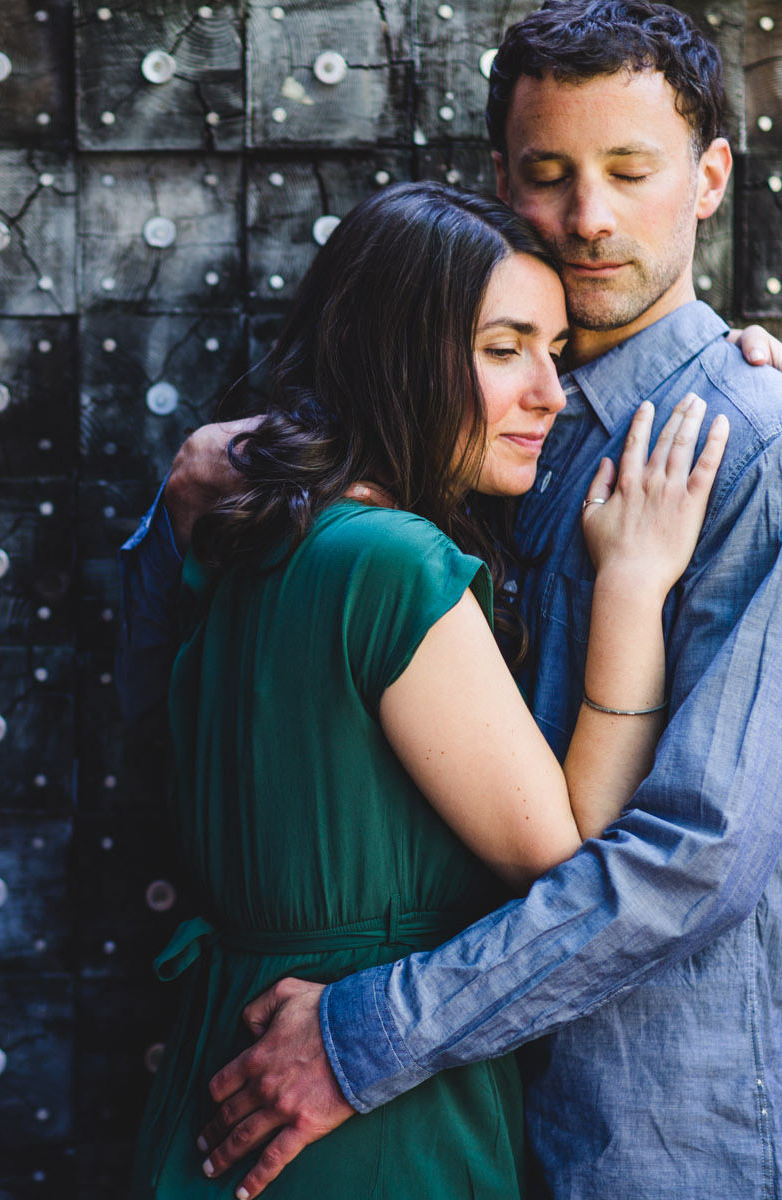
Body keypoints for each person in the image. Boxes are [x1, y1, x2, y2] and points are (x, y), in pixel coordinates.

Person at [120, 2, 782, 1196]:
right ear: (501, 182)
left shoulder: (776, 458)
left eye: (632, 172)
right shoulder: (475, 431)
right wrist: (189, 501)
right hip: (455, 1118)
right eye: (549, 174)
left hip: (650, 1135)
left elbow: (687, 861)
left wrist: (369, 1035)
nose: (589, 217)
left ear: (711, 179)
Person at [128, 179, 728, 1199]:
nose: (550, 392)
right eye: (504, 351)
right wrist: (632, 586)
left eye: (555, 350)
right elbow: (568, 859)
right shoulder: (394, 567)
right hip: (367, 1124)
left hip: (218, 1081)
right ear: (395, 354)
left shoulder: (239, 538)